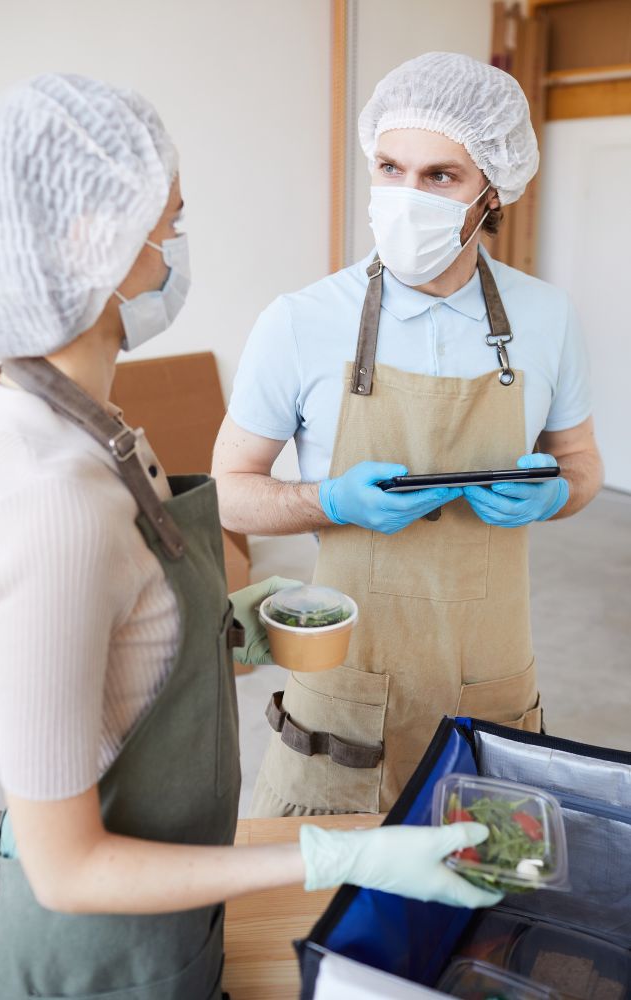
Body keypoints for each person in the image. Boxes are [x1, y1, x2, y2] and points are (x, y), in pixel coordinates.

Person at [0, 74, 501, 1000]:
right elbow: (68, 869)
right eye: (171, 219)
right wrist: (342, 853)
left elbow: (106, 662)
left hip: (173, 929)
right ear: (100, 242)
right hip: (102, 970)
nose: (178, 244)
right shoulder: (52, 498)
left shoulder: (68, 418)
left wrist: (214, 622)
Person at [212, 52, 604, 819]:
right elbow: (227, 492)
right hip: (344, 682)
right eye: (390, 168)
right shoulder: (300, 321)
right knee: (319, 906)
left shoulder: (547, 318)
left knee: (478, 905)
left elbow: (584, 461)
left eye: (439, 177)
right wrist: (328, 498)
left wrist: (557, 493)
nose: (406, 197)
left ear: (494, 190)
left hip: (491, 680)